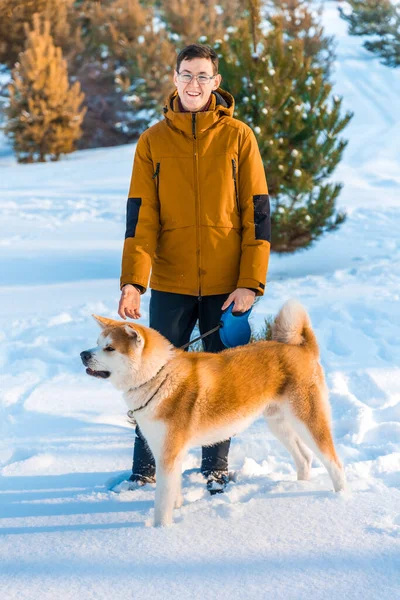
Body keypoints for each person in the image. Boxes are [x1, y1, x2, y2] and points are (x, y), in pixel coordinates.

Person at [118, 44, 271, 494]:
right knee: (154, 376)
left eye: (203, 76)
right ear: (174, 77)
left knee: (220, 378)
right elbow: (140, 218)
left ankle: (215, 468)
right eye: (187, 74)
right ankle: (145, 470)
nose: (194, 84)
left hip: (227, 285)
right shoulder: (153, 141)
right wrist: (133, 282)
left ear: (216, 83)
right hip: (169, 281)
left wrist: (249, 283)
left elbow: (257, 214)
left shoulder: (239, 137)